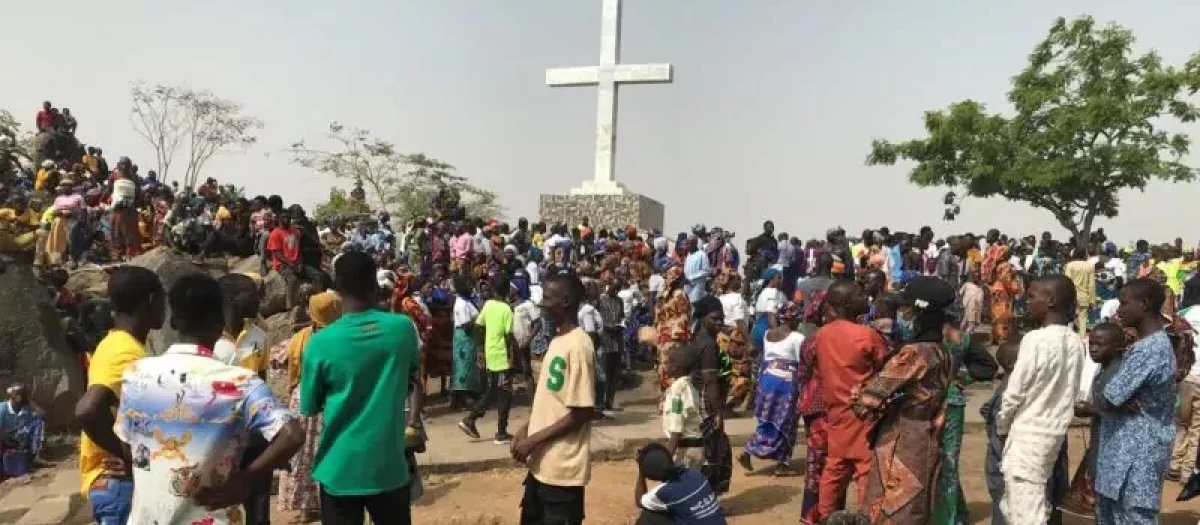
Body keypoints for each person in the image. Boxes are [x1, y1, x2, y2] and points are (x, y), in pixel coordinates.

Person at [112, 274, 304, 524]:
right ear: (220, 322)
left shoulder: (136, 375)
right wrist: (247, 477)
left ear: (174, 320)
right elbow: (292, 434)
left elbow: (130, 444)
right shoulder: (241, 383)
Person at [299, 251, 425, 524]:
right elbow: (412, 379)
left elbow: (309, 405)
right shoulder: (402, 329)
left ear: (337, 290)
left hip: (339, 468)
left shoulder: (320, 344)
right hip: (388, 466)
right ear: (374, 285)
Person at [851, 276, 955, 524]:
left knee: (893, 508)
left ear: (919, 312)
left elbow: (868, 400)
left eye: (905, 310)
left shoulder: (913, 353)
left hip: (901, 441)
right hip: (928, 438)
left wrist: (858, 395)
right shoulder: (943, 351)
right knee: (916, 508)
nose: (901, 315)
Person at [74, 267, 165, 525]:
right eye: (162, 300)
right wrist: (128, 454)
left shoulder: (118, 344)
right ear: (151, 301)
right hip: (119, 484)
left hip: (119, 485)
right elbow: (88, 410)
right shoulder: (124, 351)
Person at [994, 275, 1084, 524]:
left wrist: (1002, 426)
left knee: (1025, 506)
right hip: (1053, 434)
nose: (1026, 301)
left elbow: (1014, 393)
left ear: (1051, 300)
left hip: (1027, 434)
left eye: (1032, 296)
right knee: (1030, 500)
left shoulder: (1035, 340)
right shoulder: (1076, 341)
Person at [513, 272, 596, 525]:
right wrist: (526, 430)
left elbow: (582, 412)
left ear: (567, 301)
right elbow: (551, 401)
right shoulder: (558, 341)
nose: (543, 304)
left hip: (562, 471)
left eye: (548, 298)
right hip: (541, 465)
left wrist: (533, 441)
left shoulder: (579, 345)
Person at [1093, 278, 1177, 524]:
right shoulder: (1142, 346)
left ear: (1144, 304)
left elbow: (1110, 397)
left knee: (1134, 516)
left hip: (1139, 453)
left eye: (1124, 303)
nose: (1119, 310)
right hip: (1122, 451)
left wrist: (1101, 402)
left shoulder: (1150, 349)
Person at [810, 280, 888, 522]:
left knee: (835, 466)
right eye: (859, 294)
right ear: (845, 304)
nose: (865, 296)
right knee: (866, 469)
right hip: (863, 413)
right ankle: (867, 517)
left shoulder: (822, 335)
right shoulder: (867, 335)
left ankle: (824, 516)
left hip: (835, 411)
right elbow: (885, 369)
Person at [270, 291, 343, 523]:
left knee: (302, 454)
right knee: (327, 450)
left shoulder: (302, 337)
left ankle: (304, 508)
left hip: (303, 399)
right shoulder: (341, 337)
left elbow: (275, 358)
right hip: (332, 399)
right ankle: (330, 502)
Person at [212, 273, 272, 524]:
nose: (259, 298)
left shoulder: (259, 335)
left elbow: (262, 380)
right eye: (252, 293)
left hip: (254, 436)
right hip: (219, 438)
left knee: (259, 510)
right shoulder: (211, 340)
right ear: (232, 299)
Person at [1058, 322, 1128, 520]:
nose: (1094, 349)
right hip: (1100, 440)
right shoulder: (1102, 370)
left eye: (1100, 344)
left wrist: (1091, 409)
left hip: (1113, 446)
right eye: (1091, 344)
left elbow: (1121, 410)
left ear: (1117, 347)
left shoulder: (1117, 373)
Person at [737, 301, 803, 476]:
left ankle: (748, 451)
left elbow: (767, 357)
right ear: (795, 318)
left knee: (767, 419)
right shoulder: (797, 338)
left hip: (766, 379)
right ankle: (782, 464)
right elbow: (801, 363)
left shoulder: (768, 334)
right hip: (786, 383)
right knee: (786, 422)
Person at [460, 277, 517, 444]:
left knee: (494, 390)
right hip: (502, 355)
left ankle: (471, 419)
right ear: (507, 290)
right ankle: (500, 432)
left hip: (490, 353)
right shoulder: (507, 309)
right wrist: (512, 356)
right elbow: (508, 335)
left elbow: (478, 326)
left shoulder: (488, 306)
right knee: (505, 393)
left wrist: (480, 349)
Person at [633, 443, 727, 525]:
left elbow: (639, 502)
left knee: (648, 516)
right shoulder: (695, 474)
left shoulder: (663, 492)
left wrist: (641, 469)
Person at [1171, 284, 1200, 479]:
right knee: (1197, 427)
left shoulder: (1184, 314)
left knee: (1181, 422)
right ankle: (1187, 471)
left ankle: (1174, 463)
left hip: (1186, 376)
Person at [661, 343, 704, 468]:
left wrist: (667, 459)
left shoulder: (677, 392)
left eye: (667, 363)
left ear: (675, 367)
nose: (664, 366)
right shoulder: (690, 386)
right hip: (696, 448)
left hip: (685, 453)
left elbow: (676, 430)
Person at [655, 266, 691, 391]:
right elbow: (684, 317)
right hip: (675, 339)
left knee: (664, 369)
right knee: (675, 371)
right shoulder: (679, 295)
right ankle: (673, 403)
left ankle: (664, 403)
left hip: (662, 337)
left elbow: (658, 318)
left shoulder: (663, 295)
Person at [450, 274, 481, 409]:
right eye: (468, 284)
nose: (471, 287)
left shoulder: (466, 301)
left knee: (468, 366)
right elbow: (465, 325)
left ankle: (465, 397)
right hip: (464, 337)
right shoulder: (461, 304)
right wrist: (480, 319)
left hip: (468, 338)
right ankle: (461, 399)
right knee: (463, 367)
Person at [0, 384, 45, 475]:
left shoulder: (25, 408)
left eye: (21, 394)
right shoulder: (2, 408)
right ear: (10, 396)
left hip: (21, 438)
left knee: (39, 422)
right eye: (17, 394)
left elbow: (43, 415)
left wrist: (31, 403)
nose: (19, 397)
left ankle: (35, 456)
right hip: (5, 439)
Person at [1064, 248, 1096, 337]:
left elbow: (1067, 282)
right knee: (1083, 320)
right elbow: (1091, 285)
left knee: (1070, 319)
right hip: (1084, 297)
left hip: (1071, 296)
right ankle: (1081, 340)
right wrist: (1092, 300)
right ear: (1084, 255)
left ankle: (1068, 338)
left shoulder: (1070, 265)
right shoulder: (1089, 266)